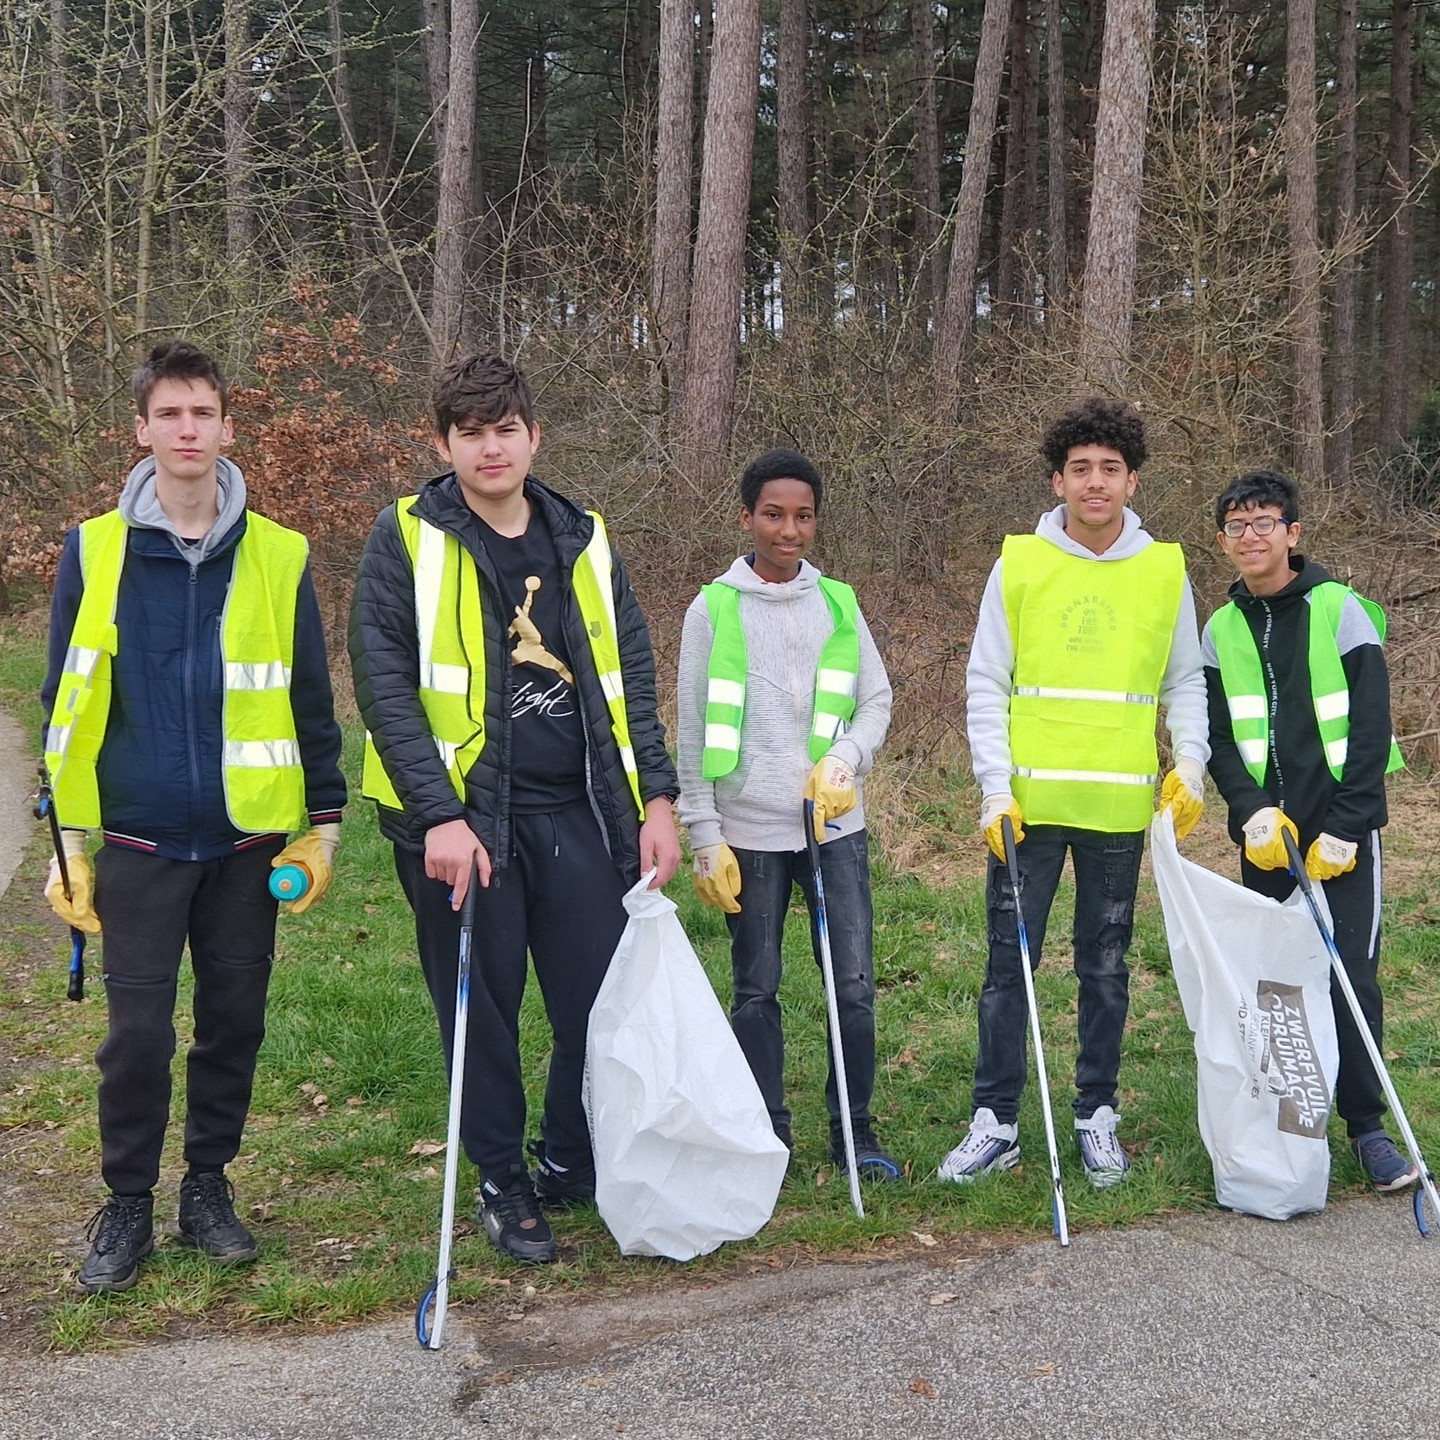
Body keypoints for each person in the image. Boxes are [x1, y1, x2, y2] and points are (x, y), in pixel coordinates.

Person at [349, 352, 680, 1265]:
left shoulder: (584, 534)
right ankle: (503, 1181)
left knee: (599, 1003)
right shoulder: (406, 537)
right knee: (482, 1013)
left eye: (505, 430)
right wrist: (437, 817)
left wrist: (655, 795)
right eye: (470, 433)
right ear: (443, 442)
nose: (490, 449)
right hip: (465, 825)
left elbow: (632, 674)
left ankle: (571, 1159)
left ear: (534, 437)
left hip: (578, 811)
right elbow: (384, 684)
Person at [41, 340, 347, 1294]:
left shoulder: (280, 553)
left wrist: (324, 826)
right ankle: (127, 1201)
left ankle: (206, 1188)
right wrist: (68, 848)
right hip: (135, 838)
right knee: (135, 1035)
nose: (186, 430)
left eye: (201, 413)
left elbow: (309, 697)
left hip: (245, 844)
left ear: (224, 426)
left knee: (232, 1023)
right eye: (168, 414)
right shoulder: (94, 550)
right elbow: (66, 698)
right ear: (141, 430)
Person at [939, 397, 1209, 1188]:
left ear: (1133, 480)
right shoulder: (1019, 562)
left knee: (1105, 968)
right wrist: (994, 789)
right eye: (1080, 469)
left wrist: (1188, 765)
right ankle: (996, 1122)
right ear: (1058, 479)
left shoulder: (1165, 570)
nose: (1096, 483)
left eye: (1111, 469)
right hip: (1026, 810)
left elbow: (1186, 680)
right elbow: (987, 680)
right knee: (1007, 968)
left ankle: (1097, 1116)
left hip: (1120, 810)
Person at [676, 448, 898, 1179]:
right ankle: (766, 1131)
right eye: (774, 514)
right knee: (757, 986)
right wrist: (704, 836)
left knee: (855, 985)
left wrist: (848, 760)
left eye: (803, 516)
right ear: (747, 518)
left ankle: (855, 1133)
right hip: (749, 833)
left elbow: (875, 699)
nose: (789, 529)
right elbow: (690, 728)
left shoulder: (839, 602)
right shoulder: (712, 610)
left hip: (835, 827)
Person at [1201, 469, 1416, 1192]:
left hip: (1341, 836)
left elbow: (1369, 726)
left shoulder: (1340, 610)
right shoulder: (1219, 629)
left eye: (1265, 522)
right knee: (1277, 985)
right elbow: (1219, 739)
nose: (1251, 536)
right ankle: (1295, 1124)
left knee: (1351, 977)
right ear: (1224, 540)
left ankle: (1367, 1128)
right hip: (1268, 837)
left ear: (1293, 534)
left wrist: (1350, 826)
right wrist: (1247, 810)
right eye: (1237, 525)